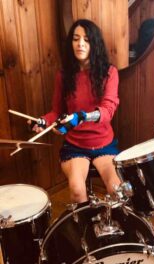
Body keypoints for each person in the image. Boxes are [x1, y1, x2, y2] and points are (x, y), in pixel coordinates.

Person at [30, 19, 121, 203]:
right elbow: (57, 112)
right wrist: (43, 122)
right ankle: (84, 228)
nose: (80, 44)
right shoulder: (64, 75)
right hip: (76, 145)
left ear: (94, 43)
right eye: (76, 38)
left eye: (86, 39)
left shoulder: (110, 72)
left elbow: (108, 110)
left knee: (116, 190)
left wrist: (83, 116)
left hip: (103, 143)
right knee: (77, 190)